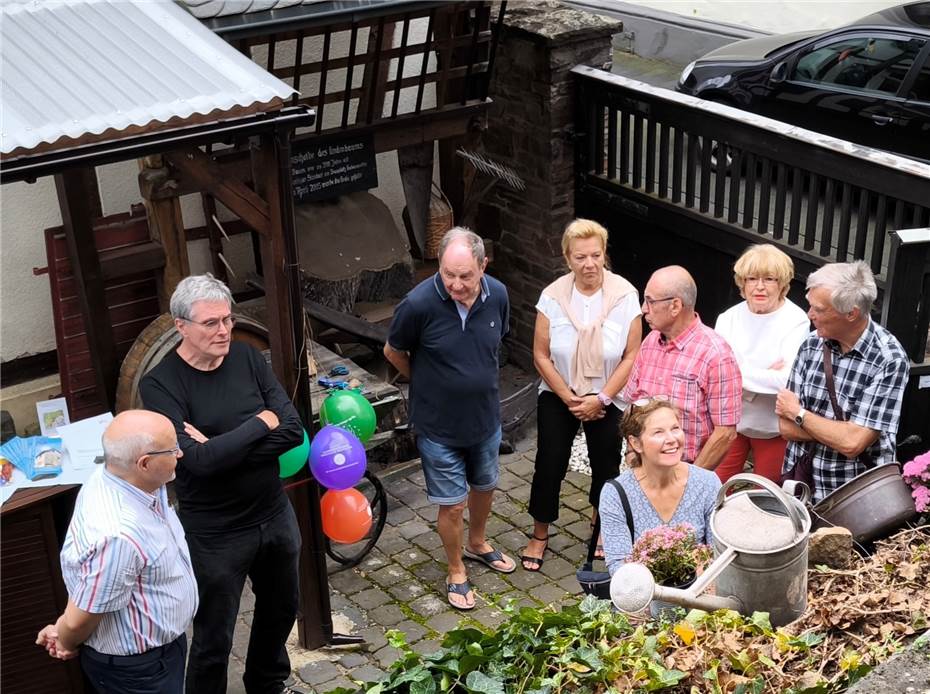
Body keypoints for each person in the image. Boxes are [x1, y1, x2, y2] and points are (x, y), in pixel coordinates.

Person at [140, 274, 304, 694]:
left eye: (227, 320)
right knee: (214, 636)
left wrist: (219, 446)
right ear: (181, 326)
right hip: (216, 531)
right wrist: (257, 424)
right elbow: (195, 463)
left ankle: (268, 685)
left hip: (272, 511)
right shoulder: (160, 384)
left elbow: (290, 429)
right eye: (210, 323)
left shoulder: (247, 358)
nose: (224, 330)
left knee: (281, 609)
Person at [383, 227, 514, 610]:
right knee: (452, 503)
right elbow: (393, 350)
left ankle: (477, 542)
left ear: (483, 266)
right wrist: (426, 381)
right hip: (438, 426)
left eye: (465, 276)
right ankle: (456, 569)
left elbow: (496, 342)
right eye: (447, 274)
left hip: (485, 419)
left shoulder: (499, 296)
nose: (455, 284)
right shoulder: (418, 304)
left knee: (486, 485)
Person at [36, 410, 197, 694]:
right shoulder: (119, 536)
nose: (180, 454)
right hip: (140, 671)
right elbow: (82, 616)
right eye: (173, 450)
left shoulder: (123, 476)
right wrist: (64, 638)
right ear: (144, 463)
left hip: (161, 654)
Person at [520, 219, 641, 572]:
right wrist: (570, 398)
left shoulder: (625, 296)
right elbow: (541, 354)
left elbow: (631, 355)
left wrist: (601, 398)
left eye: (595, 255)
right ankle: (540, 532)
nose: (589, 264)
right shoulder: (552, 296)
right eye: (580, 257)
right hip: (560, 393)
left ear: (604, 254)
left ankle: (601, 525)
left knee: (606, 463)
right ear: (567, 258)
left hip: (607, 395)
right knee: (549, 461)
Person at [776, 261, 909, 502]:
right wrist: (841, 431)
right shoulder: (811, 344)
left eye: (819, 309)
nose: (810, 315)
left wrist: (800, 414)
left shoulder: (888, 359)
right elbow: (785, 427)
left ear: (851, 313)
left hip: (855, 497)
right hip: (801, 486)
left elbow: (852, 444)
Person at [621, 266, 742, 470]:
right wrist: (632, 453)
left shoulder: (716, 355)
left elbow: (725, 434)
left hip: (687, 471)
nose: (643, 309)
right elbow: (633, 405)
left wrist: (690, 483)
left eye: (650, 301)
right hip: (645, 471)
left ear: (675, 306)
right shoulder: (650, 341)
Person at [713, 244, 810, 483]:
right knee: (716, 487)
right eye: (751, 278)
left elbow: (785, 381)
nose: (759, 287)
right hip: (731, 423)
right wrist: (763, 374)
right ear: (741, 283)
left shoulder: (796, 321)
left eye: (769, 279)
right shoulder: (727, 319)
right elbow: (717, 376)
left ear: (783, 284)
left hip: (773, 428)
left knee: (765, 498)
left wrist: (738, 372)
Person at [599, 399, 722, 576]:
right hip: (641, 594)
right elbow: (619, 567)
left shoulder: (707, 483)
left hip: (700, 590)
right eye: (658, 432)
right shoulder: (615, 494)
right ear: (635, 443)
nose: (671, 439)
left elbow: (718, 554)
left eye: (675, 429)